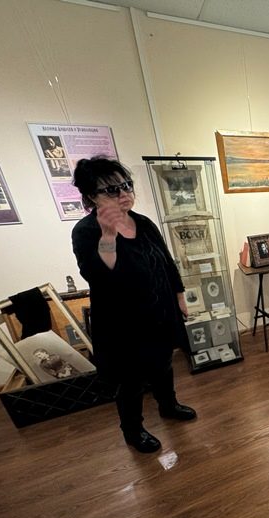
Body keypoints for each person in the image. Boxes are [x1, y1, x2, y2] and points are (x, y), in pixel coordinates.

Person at [71, 156, 196, 453]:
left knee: (164, 363)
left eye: (126, 185)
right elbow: (97, 275)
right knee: (131, 378)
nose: (124, 193)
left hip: (160, 310)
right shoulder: (86, 231)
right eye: (112, 189)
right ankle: (133, 429)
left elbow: (167, 262)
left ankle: (168, 405)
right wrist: (109, 234)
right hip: (123, 321)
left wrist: (179, 296)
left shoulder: (144, 223)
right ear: (92, 196)